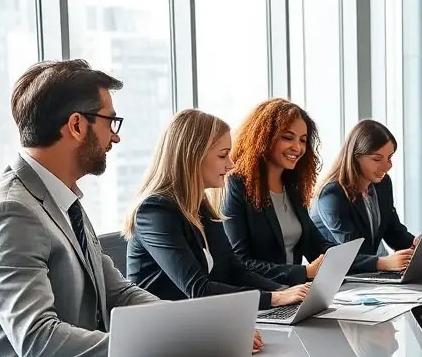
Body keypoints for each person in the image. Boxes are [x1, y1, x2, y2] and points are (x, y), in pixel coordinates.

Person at [0, 59, 157, 357]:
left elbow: (118, 294)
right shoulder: (10, 211)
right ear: (76, 125)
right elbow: (37, 339)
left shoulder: (61, 198)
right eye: (111, 122)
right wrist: (160, 345)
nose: (116, 136)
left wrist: (192, 332)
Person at [124, 109, 305, 343]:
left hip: (196, 323)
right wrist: (273, 298)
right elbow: (197, 289)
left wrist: (283, 291)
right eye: (223, 155)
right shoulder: (155, 212)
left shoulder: (200, 206)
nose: (231, 165)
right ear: (193, 156)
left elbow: (234, 269)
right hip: (160, 337)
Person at [222, 99, 339, 285]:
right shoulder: (236, 185)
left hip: (296, 293)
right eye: (287, 137)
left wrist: (348, 258)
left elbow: (316, 245)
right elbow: (240, 262)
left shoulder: (292, 187)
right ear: (264, 137)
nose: (298, 147)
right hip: (261, 298)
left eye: (303, 140)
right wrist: (305, 272)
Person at [310, 120, 416, 274]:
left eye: (389, 158)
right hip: (340, 278)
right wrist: (385, 263)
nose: (387, 166)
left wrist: (414, 244)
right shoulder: (332, 195)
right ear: (355, 157)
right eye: (377, 159)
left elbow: (392, 229)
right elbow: (353, 251)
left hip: (370, 275)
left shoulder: (382, 183)